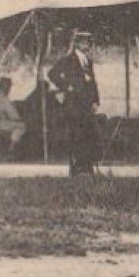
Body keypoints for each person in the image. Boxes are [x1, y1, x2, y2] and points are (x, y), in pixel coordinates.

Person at [47, 30, 101, 175]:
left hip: (87, 104)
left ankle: (87, 166)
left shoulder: (88, 61)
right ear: (78, 43)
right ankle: (76, 167)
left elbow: (92, 82)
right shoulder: (68, 60)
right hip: (74, 104)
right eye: (86, 42)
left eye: (89, 42)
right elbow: (52, 73)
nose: (88, 45)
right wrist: (66, 86)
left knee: (88, 135)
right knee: (76, 135)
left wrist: (95, 100)